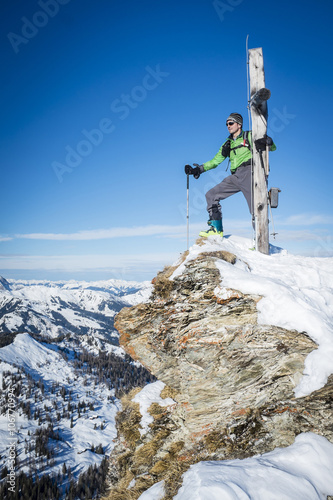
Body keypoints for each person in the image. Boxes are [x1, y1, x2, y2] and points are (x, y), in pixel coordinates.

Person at [185, 112, 276, 237]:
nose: (228, 126)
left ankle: (260, 240)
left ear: (239, 124)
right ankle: (217, 230)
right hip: (236, 176)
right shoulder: (228, 143)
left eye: (231, 123)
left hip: (250, 173)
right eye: (227, 123)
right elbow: (215, 161)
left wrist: (269, 142)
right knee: (211, 195)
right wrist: (198, 169)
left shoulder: (249, 135)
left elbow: (271, 147)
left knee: (256, 207)